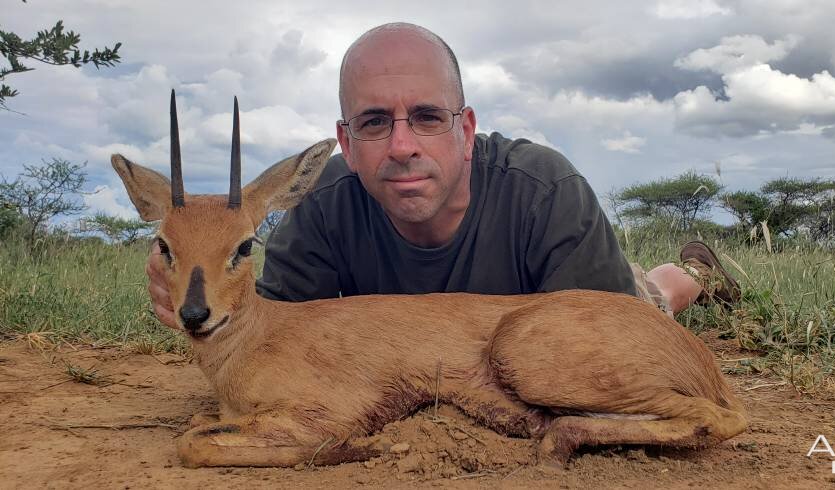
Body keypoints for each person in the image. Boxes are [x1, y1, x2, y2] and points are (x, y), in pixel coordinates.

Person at [145, 22, 740, 330]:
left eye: (428, 117)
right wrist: (203, 293)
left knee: (654, 298)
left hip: (547, 328)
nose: (402, 146)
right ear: (346, 143)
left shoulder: (545, 192)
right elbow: (270, 333)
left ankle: (695, 273)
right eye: (375, 123)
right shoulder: (321, 206)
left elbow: (608, 347)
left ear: (466, 127)